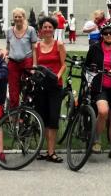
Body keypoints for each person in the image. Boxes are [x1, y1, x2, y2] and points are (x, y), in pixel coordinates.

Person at [85, 22, 111, 159]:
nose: (108, 35)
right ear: (101, 35)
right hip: (100, 86)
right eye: (105, 33)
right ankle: (96, 140)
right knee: (103, 111)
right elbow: (87, 65)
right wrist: (91, 74)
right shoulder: (95, 48)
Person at [34, 17, 67, 162]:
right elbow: (35, 65)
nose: (47, 29)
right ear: (40, 30)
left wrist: (57, 76)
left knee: (53, 118)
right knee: (43, 118)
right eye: (44, 27)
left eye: (50, 27)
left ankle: (51, 151)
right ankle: (46, 150)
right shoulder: (36, 46)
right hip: (41, 85)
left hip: (55, 85)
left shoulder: (58, 44)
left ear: (54, 29)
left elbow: (63, 64)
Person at [3, 7, 38, 109]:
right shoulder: (9, 31)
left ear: (24, 17)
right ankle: (14, 118)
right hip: (13, 63)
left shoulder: (30, 30)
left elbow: (34, 49)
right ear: (13, 18)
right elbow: (8, 48)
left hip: (26, 61)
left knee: (27, 89)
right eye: (15, 17)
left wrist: (34, 65)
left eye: (20, 16)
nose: (17, 19)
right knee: (13, 91)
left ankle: (25, 114)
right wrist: (5, 57)